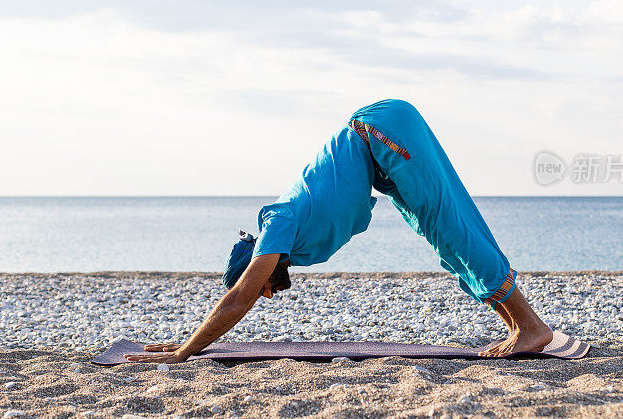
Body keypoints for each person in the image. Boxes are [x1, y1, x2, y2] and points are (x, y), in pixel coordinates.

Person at [125, 99, 552, 364]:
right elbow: (242, 294)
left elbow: (237, 298)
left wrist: (186, 349)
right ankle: (519, 327)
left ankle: (531, 326)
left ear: (256, 265)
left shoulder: (277, 223)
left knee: (451, 227)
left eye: (261, 288)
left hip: (381, 131)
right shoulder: (290, 242)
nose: (264, 295)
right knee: (445, 238)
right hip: (380, 159)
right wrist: (190, 340)